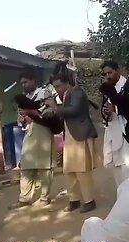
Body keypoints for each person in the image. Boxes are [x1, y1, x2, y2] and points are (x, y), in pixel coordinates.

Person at [47, 74, 100, 213]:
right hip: (70, 136)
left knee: (82, 170)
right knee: (69, 170)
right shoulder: (66, 94)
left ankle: (90, 201)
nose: (56, 89)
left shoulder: (76, 92)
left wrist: (55, 107)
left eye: (58, 86)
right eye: (55, 86)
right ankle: (74, 200)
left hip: (80, 135)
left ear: (67, 83)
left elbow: (74, 110)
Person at [9, 71, 57, 210]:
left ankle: (44, 197)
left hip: (43, 131)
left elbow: (51, 112)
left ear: (33, 81)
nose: (24, 85)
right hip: (29, 133)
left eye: (26, 82)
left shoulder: (44, 93)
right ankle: (24, 199)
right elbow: (21, 120)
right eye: (22, 83)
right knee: (26, 168)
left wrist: (34, 113)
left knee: (45, 168)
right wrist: (22, 119)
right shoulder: (23, 98)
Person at [100, 60, 129, 187]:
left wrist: (115, 109)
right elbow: (105, 109)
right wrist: (107, 113)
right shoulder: (108, 88)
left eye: (110, 72)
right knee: (119, 177)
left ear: (118, 70)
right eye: (105, 74)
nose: (108, 76)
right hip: (114, 135)